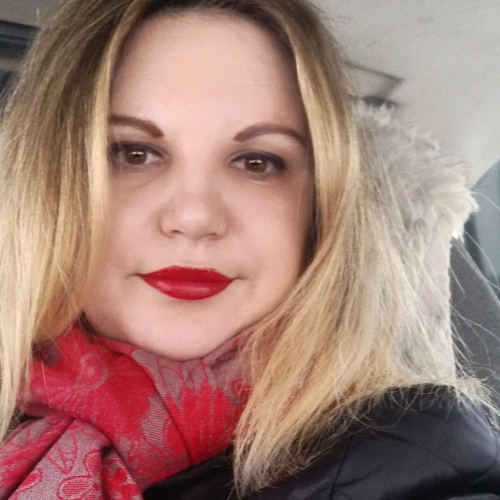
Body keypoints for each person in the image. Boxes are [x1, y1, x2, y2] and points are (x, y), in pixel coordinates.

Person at [0, 0, 499, 498]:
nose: (195, 216)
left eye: (257, 162)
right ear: (47, 187)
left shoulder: (431, 467)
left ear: (321, 211)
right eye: (132, 153)